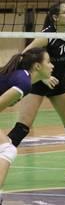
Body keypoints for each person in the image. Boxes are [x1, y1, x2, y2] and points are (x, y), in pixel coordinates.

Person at [7, 2, 65, 183]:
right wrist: (43, 77)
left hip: (59, 84)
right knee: (22, 129)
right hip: (37, 84)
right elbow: (23, 57)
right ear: (55, 17)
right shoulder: (46, 36)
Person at [0, 48, 53, 203]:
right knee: (7, 149)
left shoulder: (22, 79)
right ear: (37, 66)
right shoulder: (23, 83)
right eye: (48, 62)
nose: (52, 66)